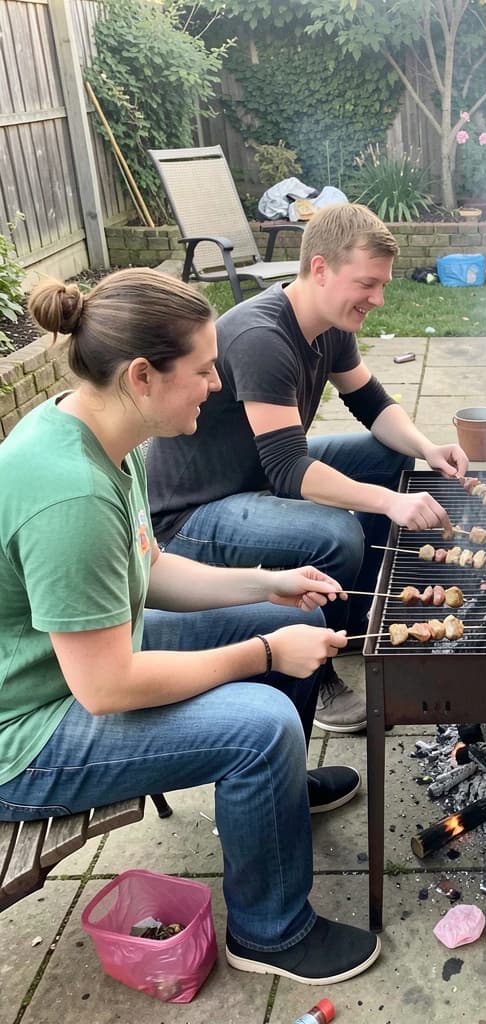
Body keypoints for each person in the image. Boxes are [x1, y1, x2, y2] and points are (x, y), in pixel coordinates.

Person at [0, 269, 381, 985]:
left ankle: (276, 798)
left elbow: (154, 571)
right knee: (262, 720)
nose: (216, 384)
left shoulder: (103, 431)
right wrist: (265, 651)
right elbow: (109, 688)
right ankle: (271, 931)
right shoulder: (70, 493)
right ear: (143, 376)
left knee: (277, 619)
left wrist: (267, 585)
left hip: (77, 667)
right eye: (204, 370)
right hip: (25, 733)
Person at [146, 204, 468, 734]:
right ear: (320, 269)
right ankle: (315, 678)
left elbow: (371, 403)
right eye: (367, 283)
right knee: (335, 534)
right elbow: (290, 469)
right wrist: (390, 502)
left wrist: (428, 448)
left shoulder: (330, 323)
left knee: (385, 453)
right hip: (193, 516)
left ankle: (356, 618)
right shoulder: (262, 337)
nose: (379, 300)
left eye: (382, 285)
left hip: (256, 483)